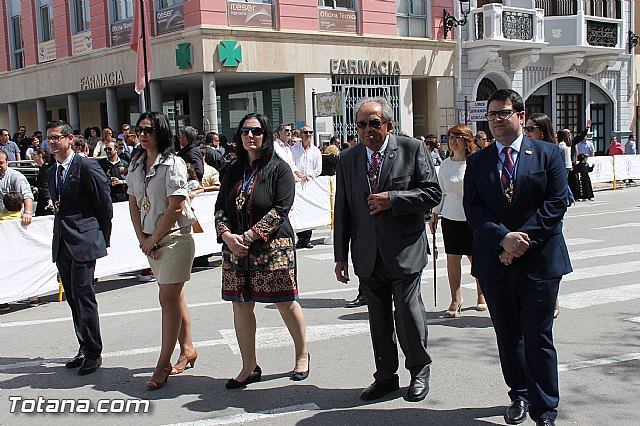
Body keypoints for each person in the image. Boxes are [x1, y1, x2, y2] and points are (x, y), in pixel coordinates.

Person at [463, 89, 571, 426]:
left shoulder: (548, 154)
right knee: (508, 336)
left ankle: (545, 408)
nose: (496, 119)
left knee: (538, 337)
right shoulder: (477, 161)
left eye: (504, 113)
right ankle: (519, 395)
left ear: (520, 116)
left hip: (539, 261)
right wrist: (503, 240)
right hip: (496, 263)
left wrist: (521, 241)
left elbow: (556, 203)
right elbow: (473, 208)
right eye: (492, 114)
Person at [334, 96, 441, 402]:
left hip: (404, 250)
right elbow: (342, 210)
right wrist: (341, 256)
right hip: (368, 254)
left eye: (374, 123)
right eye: (362, 124)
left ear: (389, 125)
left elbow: (432, 193)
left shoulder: (412, 149)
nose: (367, 129)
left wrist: (393, 199)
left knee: (408, 315)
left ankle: (419, 371)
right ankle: (385, 377)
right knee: (379, 322)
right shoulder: (349, 158)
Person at [214, 112, 309, 389]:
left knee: (284, 302)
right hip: (236, 249)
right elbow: (221, 207)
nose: (250, 136)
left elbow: (280, 209)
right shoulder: (232, 170)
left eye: (256, 131)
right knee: (241, 305)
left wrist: (248, 235)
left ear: (266, 135)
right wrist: (227, 235)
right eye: (244, 131)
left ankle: (302, 354)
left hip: (273, 247)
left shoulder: (279, 169)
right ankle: (249, 366)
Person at [126, 111, 198, 389]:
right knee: (175, 296)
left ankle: (163, 363)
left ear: (161, 132)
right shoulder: (135, 165)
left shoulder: (173, 163)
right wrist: (143, 239)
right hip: (152, 240)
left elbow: (176, 206)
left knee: (166, 299)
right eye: (139, 129)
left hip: (176, 239)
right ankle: (188, 348)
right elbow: (133, 203)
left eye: (149, 130)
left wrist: (153, 239)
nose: (143, 135)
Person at [46, 120, 113, 375]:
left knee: (84, 296)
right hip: (62, 242)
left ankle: (94, 352)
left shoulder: (86, 166)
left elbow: (104, 205)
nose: (52, 142)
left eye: (56, 138)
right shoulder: (51, 172)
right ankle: (83, 345)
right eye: (49, 138)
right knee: (72, 298)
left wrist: (101, 237)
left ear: (69, 139)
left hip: (84, 241)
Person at [430, 125, 486, 317]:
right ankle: (456, 298)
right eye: (450, 137)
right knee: (452, 259)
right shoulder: (445, 164)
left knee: (476, 258)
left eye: (457, 137)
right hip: (451, 217)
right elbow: (440, 193)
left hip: (473, 218)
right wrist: (434, 214)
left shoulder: (475, 162)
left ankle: (481, 294)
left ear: (466, 140)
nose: (453, 141)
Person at [291, 124, 322, 248]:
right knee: (299, 211)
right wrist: (299, 175)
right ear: (301, 135)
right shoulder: (294, 150)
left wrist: (309, 176)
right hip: (297, 184)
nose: (308, 135)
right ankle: (300, 238)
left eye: (310, 132)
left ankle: (307, 238)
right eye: (305, 133)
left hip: (309, 184)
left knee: (309, 211)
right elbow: (291, 164)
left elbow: (318, 168)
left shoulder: (316, 151)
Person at [0, 150, 34, 227]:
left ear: (7, 162)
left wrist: (27, 213)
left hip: (15, 223)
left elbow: (27, 196)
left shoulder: (17, 177)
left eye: (0, 163)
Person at [31, 148, 54, 216]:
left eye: (34, 155)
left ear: (40, 155)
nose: (33, 157)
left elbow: (45, 184)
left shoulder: (46, 168)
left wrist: (48, 198)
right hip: (42, 196)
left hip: (46, 197)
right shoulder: (42, 167)